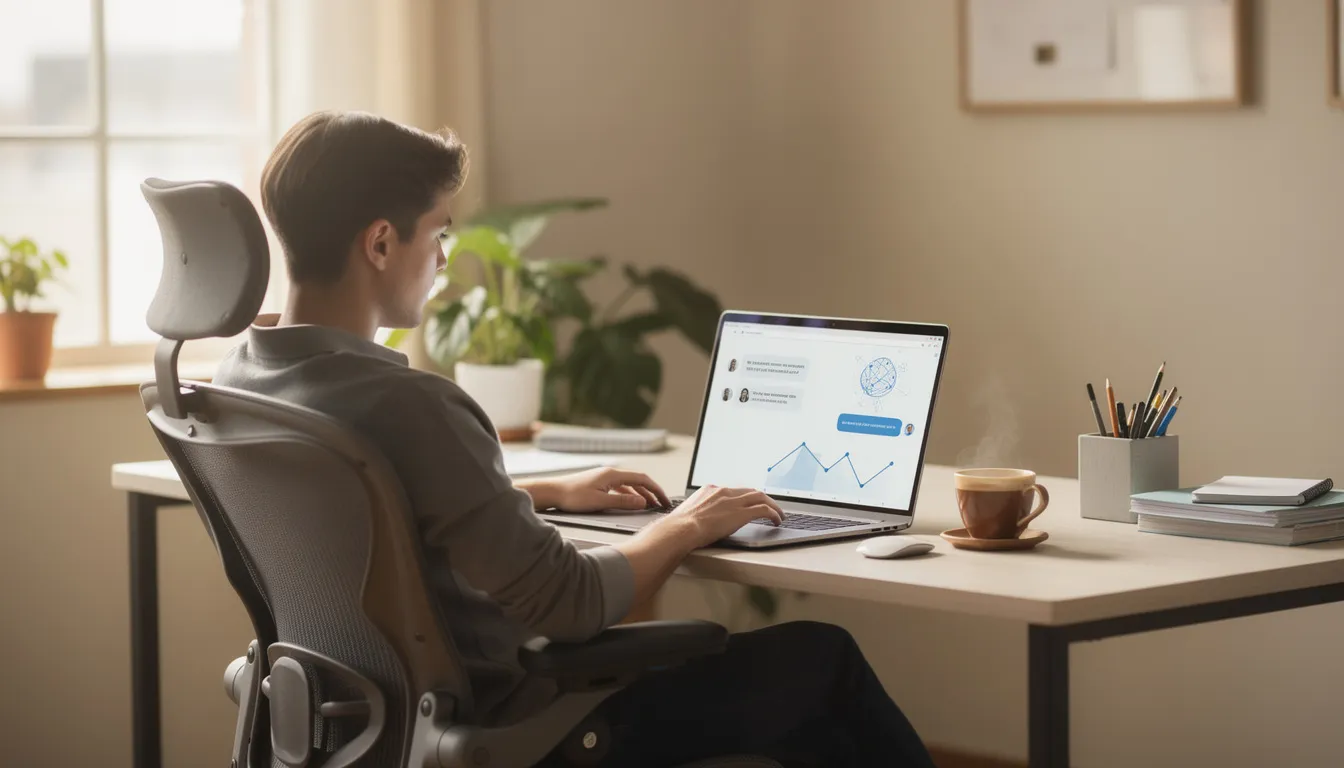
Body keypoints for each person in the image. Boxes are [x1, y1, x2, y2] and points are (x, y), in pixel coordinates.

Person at [216, 110, 934, 768]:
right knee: (824, 661)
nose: (444, 258)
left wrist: (540, 490)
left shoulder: (240, 383)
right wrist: (687, 523)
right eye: (438, 234)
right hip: (523, 724)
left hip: (352, 723)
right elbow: (570, 601)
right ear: (380, 242)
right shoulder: (412, 405)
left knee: (813, 726)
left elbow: (379, 509)